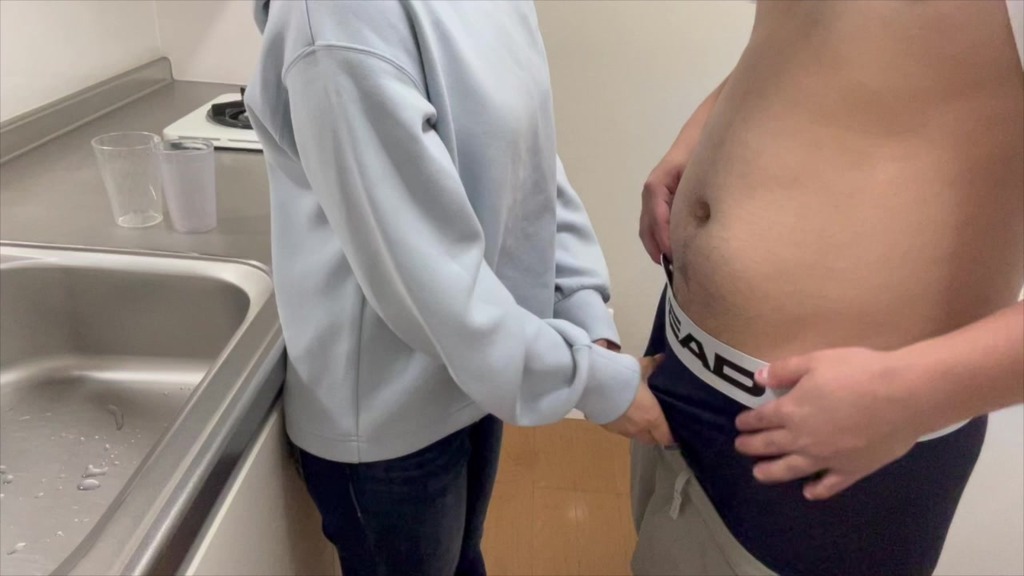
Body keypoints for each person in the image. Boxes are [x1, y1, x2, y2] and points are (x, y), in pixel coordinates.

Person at [244, 1, 671, 575]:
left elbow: (533, 165)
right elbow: (422, 270)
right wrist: (589, 379)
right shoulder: (339, 19)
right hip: (386, 412)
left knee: (465, 560)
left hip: (478, 371)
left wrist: (585, 317)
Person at [633, 1, 1024, 575]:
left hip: (841, 435)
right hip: (682, 351)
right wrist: (695, 139)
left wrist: (910, 397)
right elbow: (808, 40)